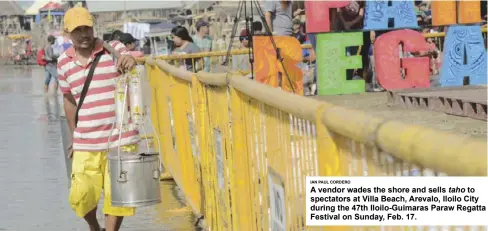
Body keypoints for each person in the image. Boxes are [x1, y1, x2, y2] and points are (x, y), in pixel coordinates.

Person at [57, 7, 138, 231]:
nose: (84, 34)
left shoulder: (114, 50)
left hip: (119, 138)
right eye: (77, 30)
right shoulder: (63, 62)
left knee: (118, 197)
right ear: (67, 33)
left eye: (87, 28)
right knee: (80, 195)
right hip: (86, 140)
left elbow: (131, 59)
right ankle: (95, 228)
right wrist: (74, 135)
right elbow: (69, 101)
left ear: (93, 28)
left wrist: (129, 60)